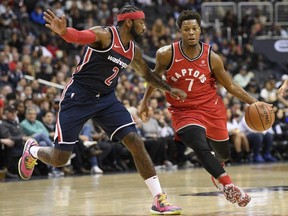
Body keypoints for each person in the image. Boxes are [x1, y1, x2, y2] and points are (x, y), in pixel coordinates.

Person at [18, 5, 186, 215]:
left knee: (135, 141)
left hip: (106, 100)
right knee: (60, 158)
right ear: (130, 22)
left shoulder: (133, 50)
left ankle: (159, 199)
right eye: (142, 22)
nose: (145, 27)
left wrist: (170, 89)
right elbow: (78, 36)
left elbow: (148, 75)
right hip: (78, 97)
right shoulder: (104, 34)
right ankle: (32, 150)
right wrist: (63, 32)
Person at [139, 10, 273, 207]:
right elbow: (154, 78)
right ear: (180, 32)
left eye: (194, 29)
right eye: (186, 29)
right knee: (199, 146)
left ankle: (217, 170)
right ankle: (228, 185)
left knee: (223, 155)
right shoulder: (166, 54)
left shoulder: (213, 57)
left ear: (200, 30)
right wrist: (144, 102)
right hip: (183, 111)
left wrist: (255, 103)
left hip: (211, 109)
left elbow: (231, 86)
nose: (191, 32)